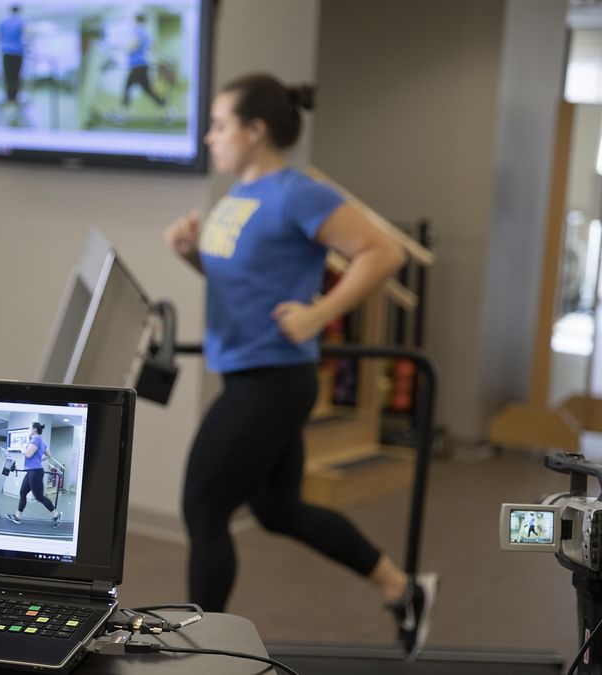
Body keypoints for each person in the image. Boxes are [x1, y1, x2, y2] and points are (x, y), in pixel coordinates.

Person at [163, 73, 436, 660]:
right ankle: (402, 589)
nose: (209, 137)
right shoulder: (238, 195)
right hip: (248, 371)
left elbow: (382, 252)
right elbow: (245, 284)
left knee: (204, 506)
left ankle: (208, 656)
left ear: (255, 130)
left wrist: (321, 312)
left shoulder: (296, 192)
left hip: (272, 379)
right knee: (278, 509)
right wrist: (192, 257)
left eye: (219, 125)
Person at [113, 13, 169, 125]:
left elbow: (134, 45)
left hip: (138, 66)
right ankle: (168, 112)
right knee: (148, 91)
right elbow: (153, 46)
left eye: (132, 20)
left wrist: (121, 47)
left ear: (136, 21)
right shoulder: (146, 32)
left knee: (127, 88)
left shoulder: (139, 31)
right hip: (141, 65)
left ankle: (121, 114)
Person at [6, 422, 62, 527]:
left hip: (35, 472)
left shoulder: (35, 439)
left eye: (29, 428)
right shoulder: (40, 440)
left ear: (34, 429)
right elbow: (49, 455)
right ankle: (17, 516)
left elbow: (28, 454)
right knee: (23, 492)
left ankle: (56, 514)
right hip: (32, 471)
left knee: (39, 497)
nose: (28, 430)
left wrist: (21, 447)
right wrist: (38, 461)